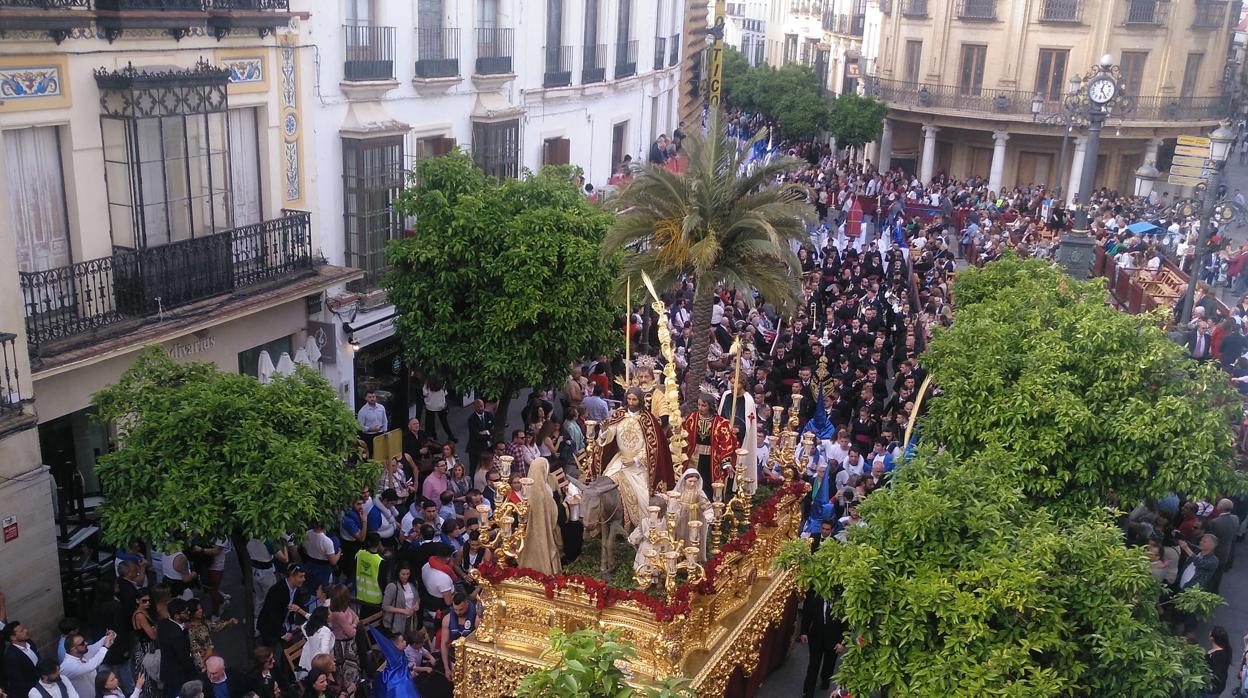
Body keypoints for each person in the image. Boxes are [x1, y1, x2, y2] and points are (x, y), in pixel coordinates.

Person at [597, 387, 675, 528]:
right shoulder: (619, 414)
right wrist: (604, 432)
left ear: (640, 401)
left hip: (638, 465)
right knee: (604, 481)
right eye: (629, 399)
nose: (631, 403)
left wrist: (634, 460)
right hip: (620, 460)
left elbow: (651, 447)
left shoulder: (648, 419)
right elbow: (611, 436)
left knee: (642, 497)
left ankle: (645, 528)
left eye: (634, 399)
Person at [682, 391, 738, 499]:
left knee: (708, 486)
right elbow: (683, 434)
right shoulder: (692, 418)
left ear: (710, 406)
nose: (700, 408)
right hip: (693, 457)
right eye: (698, 405)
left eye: (703, 405)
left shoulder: (721, 423)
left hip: (712, 461)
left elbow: (727, 443)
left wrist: (726, 462)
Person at [517, 457, 563, 575]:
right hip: (544, 530)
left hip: (530, 530)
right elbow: (553, 513)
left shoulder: (526, 489)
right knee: (544, 549)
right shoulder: (544, 492)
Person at [799, 588, 847, 698]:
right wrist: (804, 632)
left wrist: (842, 642)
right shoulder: (815, 598)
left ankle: (825, 678)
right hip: (816, 637)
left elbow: (846, 623)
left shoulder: (841, 602)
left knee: (829, 663)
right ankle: (808, 692)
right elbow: (807, 614)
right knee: (813, 665)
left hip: (833, 639)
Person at [718, 379, 758, 494]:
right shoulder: (726, 395)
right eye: (731, 382)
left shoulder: (748, 400)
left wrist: (739, 430)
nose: (733, 385)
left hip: (739, 441)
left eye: (736, 382)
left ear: (743, 384)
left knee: (737, 468)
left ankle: (735, 492)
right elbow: (721, 417)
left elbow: (748, 424)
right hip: (725, 439)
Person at [668, 469, 716, 562]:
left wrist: (709, 516)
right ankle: (679, 556)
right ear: (684, 480)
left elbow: (706, 506)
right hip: (681, 518)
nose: (692, 484)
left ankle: (692, 557)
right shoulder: (680, 491)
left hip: (694, 517)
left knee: (692, 537)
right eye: (690, 481)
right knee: (680, 535)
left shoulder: (699, 492)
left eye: (695, 481)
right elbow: (671, 501)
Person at [257, 565, 310, 648]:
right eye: (301, 576)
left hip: (285, 625)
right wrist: (283, 634)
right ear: (291, 577)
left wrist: (306, 622)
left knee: (287, 649)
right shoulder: (277, 591)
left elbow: (300, 606)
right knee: (270, 652)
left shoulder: (296, 588)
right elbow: (272, 616)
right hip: (270, 627)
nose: (304, 579)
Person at [156, 599, 195, 698]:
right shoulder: (177, 635)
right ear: (177, 616)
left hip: (167, 670)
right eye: (185, 612)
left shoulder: (163, 623)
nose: (188, 613)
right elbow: (184, 658)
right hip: (178, 675)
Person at [58, 631, 114, 698]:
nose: (86, 643)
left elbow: (97, 646)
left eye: (84, 640)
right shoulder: (68, 666)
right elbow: (90, 667)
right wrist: (105, 648)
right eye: (82, 643)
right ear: (73, 649)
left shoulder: (84, 652)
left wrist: (109, 636)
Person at [437, 593, 477, 680]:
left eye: (461, 609)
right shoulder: (447, 619)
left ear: (466, 603)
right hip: (454, 657)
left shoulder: (476, 618)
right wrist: (446, 668)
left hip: (472, 659)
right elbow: (443, 644)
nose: (458, 612)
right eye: (455, 610)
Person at [5, 621, 42, 698]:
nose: (26, 631)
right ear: (13, 637)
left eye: (24, 628)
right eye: (22, 631)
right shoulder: (12, 656)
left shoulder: (30, 642)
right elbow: (19, 681)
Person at [381, 563, 419, 636]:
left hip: (410, 620)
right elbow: (385, 606)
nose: (405, 576)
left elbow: (417, 598)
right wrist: (403, 611)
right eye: (403, 574)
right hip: (397, 621)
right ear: (398, 573)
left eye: (408, 574)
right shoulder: (392, 586)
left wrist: (417, 604)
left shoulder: (414, 584)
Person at [297, 609, 334, 677]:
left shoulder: (311, 626)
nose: (332, 614)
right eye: (330, 613)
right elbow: (324, 651)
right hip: (321, 665)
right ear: (326, 617)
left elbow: (312, 617)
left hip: (310, 662)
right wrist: (330, 663)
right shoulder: (325, 631)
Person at [422, 377, 454, 443]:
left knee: (430, 422)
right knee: (444, 422)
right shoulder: (442, 383)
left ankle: (433, 435)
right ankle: (450, 436)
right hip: (441, 406)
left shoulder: (427, 382)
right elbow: (445, 393)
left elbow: (425, 393)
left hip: (430, 406)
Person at [466, 399, 495, 466]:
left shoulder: (489, 415)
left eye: (481, 406)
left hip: (489, 447)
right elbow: (477, 435)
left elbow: (494, 428)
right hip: (476, 449)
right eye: (478, 407)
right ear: (474, 407)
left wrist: (487, 432)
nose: (480, 408)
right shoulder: (471, 419)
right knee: (475, 467)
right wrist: (489, 435)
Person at [1206, 625, 1231, 698]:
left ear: (1212, 638)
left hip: (1212, 689)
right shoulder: (1224, 649)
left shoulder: (1218, 656)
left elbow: (1217, 675)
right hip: (1217, 687)